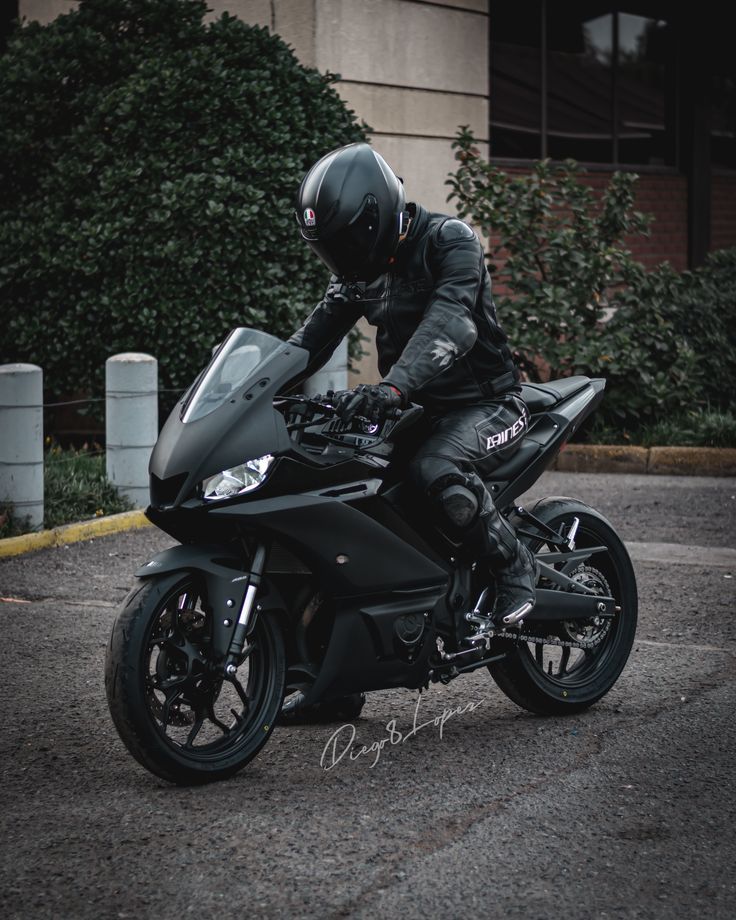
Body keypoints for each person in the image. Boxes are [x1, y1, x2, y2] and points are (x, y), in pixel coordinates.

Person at [289, 142, 537, 632]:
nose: (342, 258)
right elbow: (309, 340)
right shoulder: (358, 272)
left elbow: (451, 321)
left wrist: (393, 389)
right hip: (411, 408)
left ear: (376, 216)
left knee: (434, 466)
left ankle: (514, 565)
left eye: (347, 242)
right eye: (330, 248)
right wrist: (252, 386)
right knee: (339, 476)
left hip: (487, 404)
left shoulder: (450, 241)